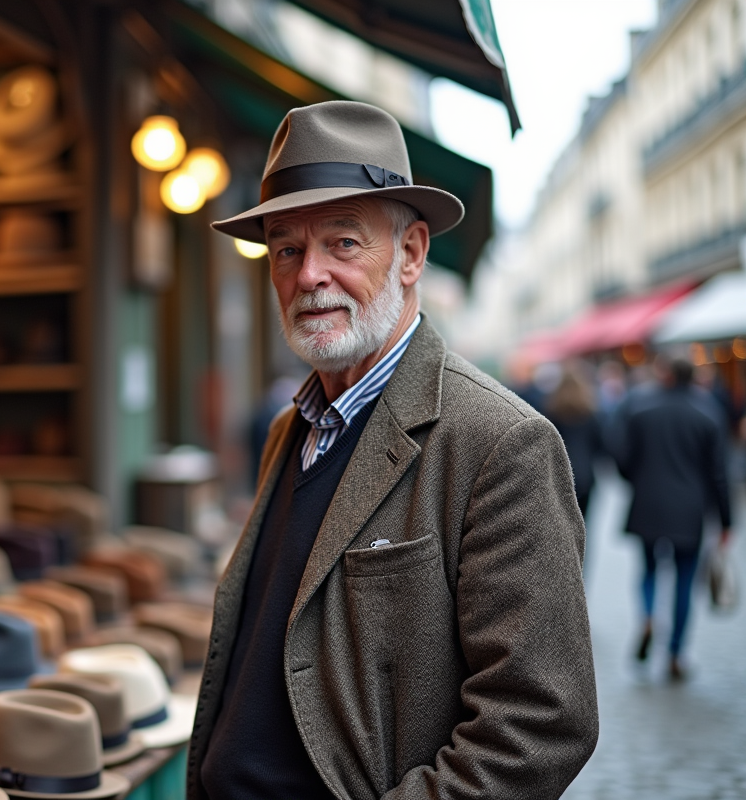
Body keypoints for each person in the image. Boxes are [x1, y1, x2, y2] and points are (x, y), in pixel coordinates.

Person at [188, 101, 597, 800]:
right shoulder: (291, 429)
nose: (309, 274)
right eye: (286, 249)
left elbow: (539, 725)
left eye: (343, 243)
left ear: (410, 254)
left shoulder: (499, 443)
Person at [610, 356, 733, 680]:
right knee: (684, 580)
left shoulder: (641, 412)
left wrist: (640, 481)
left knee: (649, 570)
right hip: (689, 510)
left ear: (665, 376)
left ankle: (649, 616)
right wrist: (726, 521)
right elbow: (720, 474)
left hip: (648, 504)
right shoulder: (708, 414)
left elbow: (621, 459)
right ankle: (676, 652)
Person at [544, 362, 603, 518]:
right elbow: (601, 444)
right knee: (583, 520)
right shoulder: (589, 412)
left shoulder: (551, 411)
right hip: (586, 474)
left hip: (561, 473)